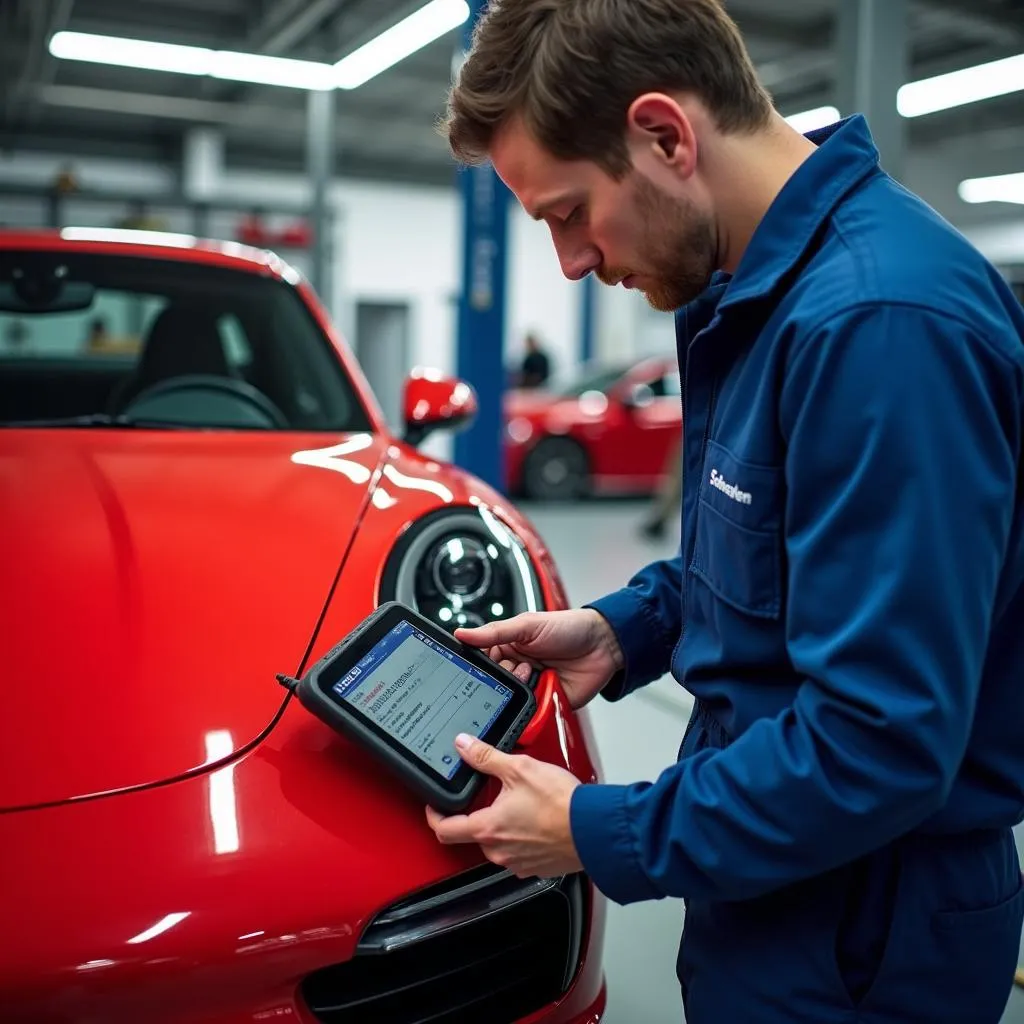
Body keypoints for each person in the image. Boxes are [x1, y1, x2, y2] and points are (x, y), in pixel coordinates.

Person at [424, 2, 1024, 1022]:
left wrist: (597, 829)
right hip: (771, 867)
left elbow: (877, 744)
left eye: (568, 213)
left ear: (664, 136)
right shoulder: (745, 293)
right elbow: (779, 553)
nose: (570, 261)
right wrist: (624, 629)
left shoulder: (878, 330)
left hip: (864, 930)